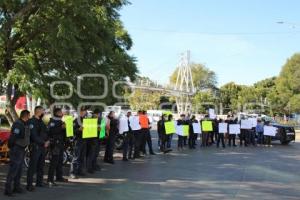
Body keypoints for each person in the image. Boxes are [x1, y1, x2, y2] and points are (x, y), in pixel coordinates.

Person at [4, 110, 31, 196]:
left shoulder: (23, 124)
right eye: (28, 116)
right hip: (17, 149)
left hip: (21, 149)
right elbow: (13, 137)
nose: (29, 118)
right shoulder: (18, 124)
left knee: (19, 169)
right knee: (14, 170)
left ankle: (16, 187)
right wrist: (12, 146)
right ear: (25, 116)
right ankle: (7, 190)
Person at [27, 106, 49, 191]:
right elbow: (34, 136)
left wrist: (47, 141)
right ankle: (29, 185)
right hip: (35, 146)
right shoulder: (31, 122)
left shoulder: (41, 122)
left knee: (41, 165)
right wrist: (44, 142)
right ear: (38, 112)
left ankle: (39, 182)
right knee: (32, 166)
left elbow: (45, 133)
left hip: (42, 147)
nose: (44, 113)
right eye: (43, 111)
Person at [47, 108, 67, 186]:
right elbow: (51, 132)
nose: (62, 114)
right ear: (57, 113)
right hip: (55, 144)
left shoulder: (60, 121)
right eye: (60, 113)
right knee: (54, 162)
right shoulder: (52, 122)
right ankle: (50, 179)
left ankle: (59, 177)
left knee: (60, 161)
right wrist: (61, 128)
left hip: (61, 144)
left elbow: (63, 132)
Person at [70, 107, 87, 179]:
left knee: (82, 157)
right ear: (79, 112)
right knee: (76, 157)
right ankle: (72, 173)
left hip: (84, 140)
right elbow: (72, 131)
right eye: (82, 112)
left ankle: (80, 171)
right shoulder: (76, 121)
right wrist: (78, 129)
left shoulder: (86, 120)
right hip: (78, 140)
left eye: (84, 111)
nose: (84, 113)